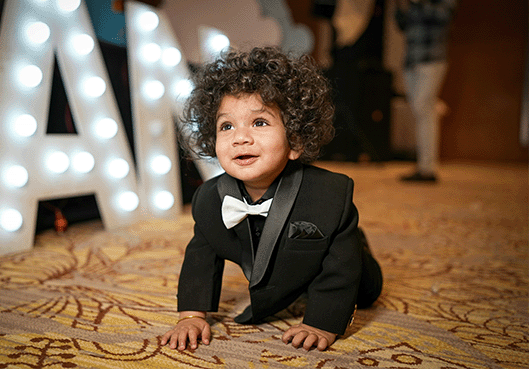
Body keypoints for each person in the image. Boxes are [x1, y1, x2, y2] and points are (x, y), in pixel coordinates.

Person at [161, 47, 383, 352]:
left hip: (338, 257)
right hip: (282, 265)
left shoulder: (329, 196)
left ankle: (355, 237)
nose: (240, 137)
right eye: (227, 126)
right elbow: (201, 258)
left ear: (295, 141)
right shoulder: (209, 200)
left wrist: (322, 322)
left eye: (259, 123)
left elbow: (340, 270)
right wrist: (191, 315)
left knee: (366, 285)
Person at [395, 0, 461, 182]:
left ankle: (427, 170)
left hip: (433, 56)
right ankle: (424, 165)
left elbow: (444, 14)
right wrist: (400, 2)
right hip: (412, 58)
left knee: (423, 107)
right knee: (421, 108)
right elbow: (403, 24)